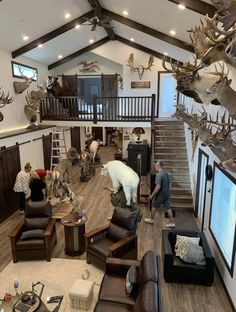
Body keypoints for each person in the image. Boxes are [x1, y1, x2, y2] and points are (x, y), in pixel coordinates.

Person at [144, 161, 175, 228]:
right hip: (167, 193)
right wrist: (168, 191)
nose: (155, 167)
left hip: (161, 194)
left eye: (155, 166)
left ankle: (151, 220)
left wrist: (152, 195)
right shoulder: (167, 173)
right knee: (168, 208)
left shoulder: (159, 175)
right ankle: (172, 223)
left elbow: (158, 186)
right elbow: (170, 184)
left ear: (159, 166)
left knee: (154, 205)